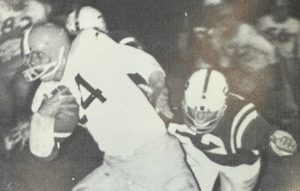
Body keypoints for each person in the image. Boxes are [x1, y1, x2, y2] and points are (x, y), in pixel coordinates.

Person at [22, 23, 198, 191]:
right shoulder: (46, 93)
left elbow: (135, 59)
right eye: (30, 57)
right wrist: (43, 117)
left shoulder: (88, 45)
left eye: (38, 55)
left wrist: (158, 84)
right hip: (116, 165)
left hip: (158, 156)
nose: (33, 64)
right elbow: (42, 152)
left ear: (57, 49)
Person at [168, 69, 297, 191]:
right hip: (200, 155)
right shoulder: (168, 102)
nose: (199, 118)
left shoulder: (238, 118)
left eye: (208, 113)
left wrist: (276, 139)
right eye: (194, 110)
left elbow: (263, 135)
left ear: (223, 108)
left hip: (239, 165)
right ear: (184, 102)